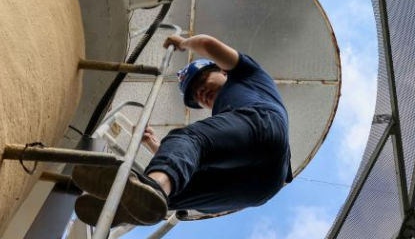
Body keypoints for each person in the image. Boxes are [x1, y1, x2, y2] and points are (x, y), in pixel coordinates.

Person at [72, 34, 292, 226]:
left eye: (203, 79)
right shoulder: (227, 124)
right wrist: (152, 144)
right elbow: (188, 161)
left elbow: (206, 43)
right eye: (195, 95)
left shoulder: (246, 75)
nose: (200, 92)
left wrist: (184, 42)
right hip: (260, 187)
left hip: (265, 125)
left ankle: (153, 186)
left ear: (223, 72)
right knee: (177, 188)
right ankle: (125, 208)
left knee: (188, 137)